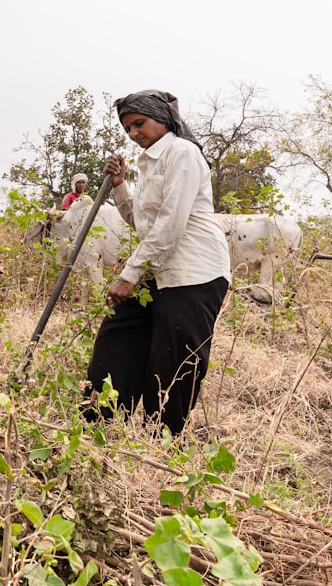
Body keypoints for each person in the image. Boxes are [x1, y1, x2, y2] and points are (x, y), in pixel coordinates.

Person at [83, 90, 231, 435]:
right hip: (157, 269)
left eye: (140, 123)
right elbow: (145, 224)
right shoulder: (148, 162)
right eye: (128, 129)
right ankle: (97, 427)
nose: (134, 134)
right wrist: (120, 187)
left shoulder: (182, 153)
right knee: (114, 340)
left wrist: (129, 275)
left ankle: (162, 440)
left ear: (162, 119)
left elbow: (171, 224)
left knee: (174, 362)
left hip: (194, 272)